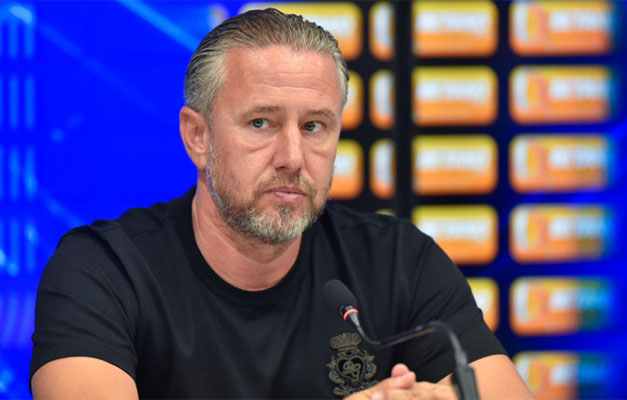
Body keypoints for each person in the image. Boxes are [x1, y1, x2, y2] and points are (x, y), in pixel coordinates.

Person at [30, 8, 533, 400]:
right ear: (198, 136)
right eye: (261, 123)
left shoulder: (400, 260)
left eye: (314, 126)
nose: (293, 156)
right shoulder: (104, 268)